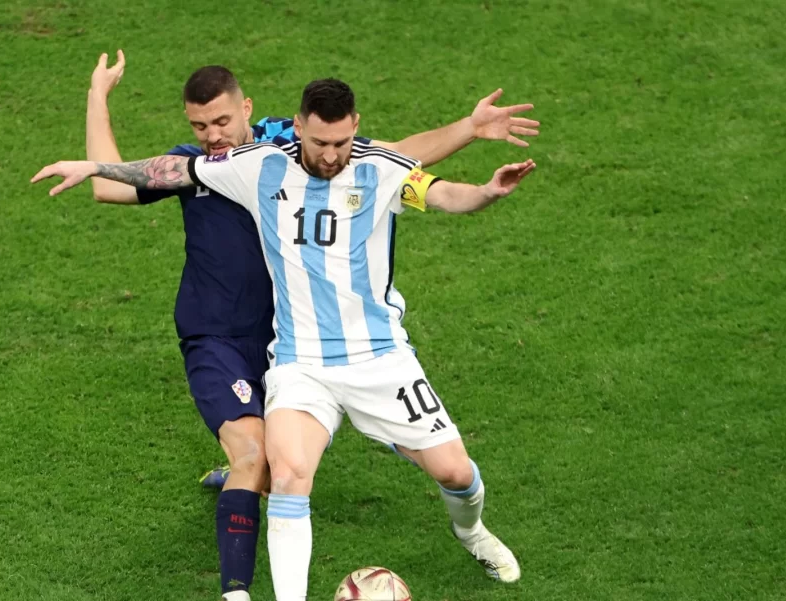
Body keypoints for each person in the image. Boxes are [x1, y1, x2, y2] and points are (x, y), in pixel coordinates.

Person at [33, 77, 537, 599]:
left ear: (355, 129)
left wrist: (485, 190)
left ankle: (470, 530)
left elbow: (440, 191)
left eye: (341, 143)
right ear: (299, 130)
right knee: (290, 474)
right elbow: (170, 170)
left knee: (454, 470)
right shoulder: (257, 166)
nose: (331, 155)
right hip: (300, 362)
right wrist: (94, 166)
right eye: (320, 143)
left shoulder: (377, 169)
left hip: (380, 358)